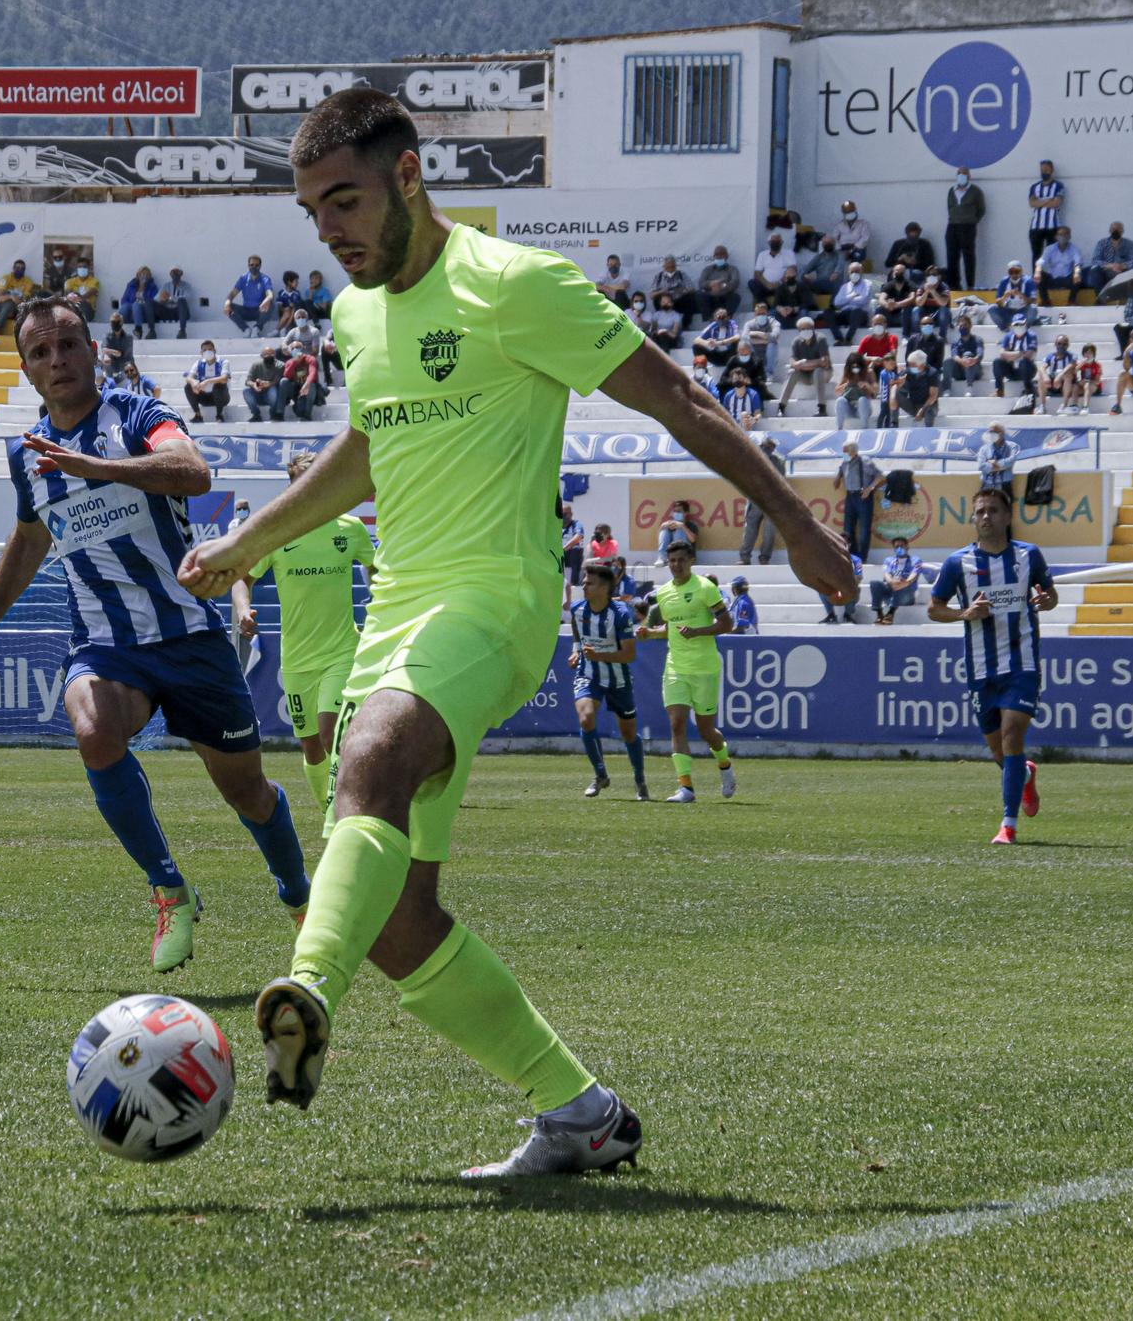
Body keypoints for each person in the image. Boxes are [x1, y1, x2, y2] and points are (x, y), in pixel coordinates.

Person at [176, 89, 850, 1177]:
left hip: (495, 599)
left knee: (369, 757)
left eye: (342, 200)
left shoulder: (515, 285)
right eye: (309, 212)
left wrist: (790, 517)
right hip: (394, 607)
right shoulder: (352, 316)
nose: (326, 230)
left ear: (406, 177)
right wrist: (247, 542)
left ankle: (304, 989)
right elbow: (366, 450)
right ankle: (578, 1111)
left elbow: (677, 396)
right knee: (399, 920)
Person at [0, 293, 314, 974]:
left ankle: (298, 897)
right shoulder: (28, 458)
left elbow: (194, 472)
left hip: (192, 637)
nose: (57, 360)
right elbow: (27, 540)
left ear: (94, 350)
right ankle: (169, 889)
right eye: (40, 353)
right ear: (25, 370)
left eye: (68, 344)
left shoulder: (136, 415)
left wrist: (96, 468)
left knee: (248, 794)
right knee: (92, 729)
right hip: (107, 645)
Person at [228, 452, 376, 815]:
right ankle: (331, 813)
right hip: (297, 659)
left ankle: (345, 816)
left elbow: (377, 571)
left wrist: (383, 600)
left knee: (331, 735)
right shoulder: (279, 533)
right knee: (311, 746)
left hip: (342, 650)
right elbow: (241, 580)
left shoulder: (350, 528)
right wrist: (243, 609)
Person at [928, 489, 1057, 845]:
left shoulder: (1028, 556)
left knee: (1012, 734)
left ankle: (1008, 825)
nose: (986, 516)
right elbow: (934, 607)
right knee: (1001, 752)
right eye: (980, 511)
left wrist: (1047, 600)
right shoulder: (958, 563)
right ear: (973, 518)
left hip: (1022, 663)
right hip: (981, 669)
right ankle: (1024, 778)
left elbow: (1050, 594)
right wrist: (963, 613)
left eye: (993, 511)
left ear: (1007, 516)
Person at [634, 539, 738, 803]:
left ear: (691, 561)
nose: (676, 565)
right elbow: (671, 629)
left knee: (707, 731)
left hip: (705, 668)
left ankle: (724, 765)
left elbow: (727, 623)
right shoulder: (664, 592)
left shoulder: (705, 588)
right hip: (675, 668)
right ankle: (686, 788)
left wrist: (697, 632)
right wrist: (650, 633)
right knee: (677, 724)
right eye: (672, 561)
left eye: (681, 560)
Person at [565, 561, 648, 800]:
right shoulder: (578, 609)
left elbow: (630, 654)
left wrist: (598, 654)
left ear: (603, 588)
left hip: (618, 680)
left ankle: (640, 779)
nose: (584, 586)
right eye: (583, 582)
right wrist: (576, 650)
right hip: (588, 674)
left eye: (589, 583)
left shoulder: (621, 614)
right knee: (586, 717)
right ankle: (600, 774)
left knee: (629, 733)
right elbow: (577, 632)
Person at [739, 437, 786, 564]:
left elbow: (780, 481)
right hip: (755, 498)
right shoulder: (751, 459)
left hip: (772, 500)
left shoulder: (779, 461)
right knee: (750, 529)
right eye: (764, 447)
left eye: (769, 447)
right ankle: (745, 557)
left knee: (769, 531)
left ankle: (765, 557)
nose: (766, 450)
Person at [836, 441, 883, 562]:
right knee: (848, 528)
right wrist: (838, 477)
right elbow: (842, 470)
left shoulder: (865, 462)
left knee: (863, 530)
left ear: (853, 451)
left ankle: (862, 558)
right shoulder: (845, 462)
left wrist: (870, 488)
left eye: (845, 451)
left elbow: (879, 476)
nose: (844, 453)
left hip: (863, 496)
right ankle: (851, 555)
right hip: (850, 496)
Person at [775, 316, 831, 417]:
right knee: (792, 372)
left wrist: (803, 364)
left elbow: (824, 362)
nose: (805, 331)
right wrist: (800, 365)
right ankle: (781, 407)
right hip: (806, 375)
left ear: (813, 328)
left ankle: (822, 408)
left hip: (823, 373)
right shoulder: (796, 341)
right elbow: (793, 361)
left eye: (808, 328)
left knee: (818, 370)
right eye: (802, 329)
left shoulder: (820, 339)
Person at [945, 167, 984, 290]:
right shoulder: (952, 190)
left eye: (964, 174)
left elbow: (981, 210)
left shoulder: (975, 191)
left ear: (969, 176)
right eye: (959, 174)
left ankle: (970, 285)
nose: (962, 176)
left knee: (968, 256)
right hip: (952, 226)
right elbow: (949, 207)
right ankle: (954, 285)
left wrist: (972, 221)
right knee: (952, 256)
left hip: (968, 227)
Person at [871, 538, 920, 625]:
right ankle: (879, 614)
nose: (899, 548)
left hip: (906, 595)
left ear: (907, 547)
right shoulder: (889, 560)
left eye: (902, 546)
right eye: (897, 546)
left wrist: (902, 583)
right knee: (875, 584)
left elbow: (913, 576)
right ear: (894, 549)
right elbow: (887, 575)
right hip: (890, 593)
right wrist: (892, 582)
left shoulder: (915, 560)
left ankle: (891, 613)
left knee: (900, 584)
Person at [1034, 227, 1085, 307]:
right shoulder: (1050, 248)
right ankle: (1045, 301)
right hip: (1052, 278)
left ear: (1069, 236)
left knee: (1079, 274)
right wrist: (1037, 272)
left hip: (1067, 278)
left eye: (1065, 234)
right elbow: (1041, 261)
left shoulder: (1074, 249)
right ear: (1056, 236)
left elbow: (1078, 263)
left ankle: (1071, 301)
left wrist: (1077, 272)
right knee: (1039, 274)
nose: (1063, 236)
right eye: (1060, 234)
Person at [225, 255, 274, 336]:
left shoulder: (265, 279)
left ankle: (257, 328)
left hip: (259, 311)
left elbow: (270, 294)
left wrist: (267, 300)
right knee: (229, 305)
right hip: (246, 311)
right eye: (251, 265)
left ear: (260, 266)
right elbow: (233, 293)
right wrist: (227, 303)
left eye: (256, 265)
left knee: (271, 304)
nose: (254, 267)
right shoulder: (243, 278)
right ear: (248, 265)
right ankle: (245, 329)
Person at [1026, 160, 1064, 266]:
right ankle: (1037, 281)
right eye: (1042, 170)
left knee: (1053, 256)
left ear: (1052, 170)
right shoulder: (1035, 187)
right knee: (1036, 256)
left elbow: (1056, 203)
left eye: (1046, 170)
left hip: (1053, 227)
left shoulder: (1058, 186)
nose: (1044, 172)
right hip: (1035, 227)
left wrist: (1040, 201)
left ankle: (1051, 281)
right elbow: (1032, 203)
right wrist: (1049, 200)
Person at [892, 349, 942, 427]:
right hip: (913, 405)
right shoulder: (908, 371)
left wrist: (922, 409)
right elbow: (893, 382)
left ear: (921, 365)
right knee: (895, 393)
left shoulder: (932, 373)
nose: (910, 366)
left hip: (928, 405)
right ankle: (893, 423)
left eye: (913, 365)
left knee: (929, 411)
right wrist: (898, 383)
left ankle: (929, 430)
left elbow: (933, 396)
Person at [183, 340, 230, 422]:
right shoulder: (198, 363)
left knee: (219, 385)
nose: (207, 352)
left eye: (210, 349)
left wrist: (207, 381)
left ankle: (219, 415)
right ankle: (198, 415)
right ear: (201, 353)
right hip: (204, 397)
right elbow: (188, 377)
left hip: (222, 398)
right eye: (204, 350)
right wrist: (193, 382)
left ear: (214, 351)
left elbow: (224, 378)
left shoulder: (223, 362)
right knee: (188, 387)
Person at [992, 316, 1039, 398]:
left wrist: (1010, 355)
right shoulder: (1008, 336)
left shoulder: (1031, 336)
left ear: (1025, 323)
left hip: (1027, 370)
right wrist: (1020, 353)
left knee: (1024, 362)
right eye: (1016, 324)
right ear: (1012, 325)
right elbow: (1002, 354)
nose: (1018, 326)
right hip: (1012, 369)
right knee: (997, 362)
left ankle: (1028, 389)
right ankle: (999, 390)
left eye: (1021, 324)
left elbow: (1030, 354)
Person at [0, 258, 36, 334]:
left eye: (22, 268)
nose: (19, 270)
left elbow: (23, 300)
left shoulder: (28, 282)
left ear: (24, 270)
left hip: (16, 310)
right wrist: (11, 297)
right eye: (17, 268)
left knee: (13, 304)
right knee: (9, 303)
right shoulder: (6, 278)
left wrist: (10, 298)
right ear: (13, 268)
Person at [1087, 221, 1133, 293]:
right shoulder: (1102, 243)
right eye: (1113, 229)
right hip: (1106, 271)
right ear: (1109, 231)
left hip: (1123, 272)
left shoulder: (1129, 244)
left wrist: (1122, 266)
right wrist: (1111, 266)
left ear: (1123, 231)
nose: (1115, 231)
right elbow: (1095, 260)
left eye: (1118, 229)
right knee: (1095, 270)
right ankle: (1101, 299)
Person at [829, 266, 873, 346]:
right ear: (848, 273)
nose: (854, 274)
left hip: (860, 315)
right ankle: (839, 338)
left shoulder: (867, 284)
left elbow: (863, 300)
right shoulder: (844, 286)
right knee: (827, 312)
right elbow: (836, 302)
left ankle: (848, 338)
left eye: (857, 271)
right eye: (852, 272)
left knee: (856, 311)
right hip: (845, 314)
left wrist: (845, 300)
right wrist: (852, 295)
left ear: (861, 272)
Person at [989, 260, 1037, 330]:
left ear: (1021, 271)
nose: (1014, 275)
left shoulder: (1028, 281)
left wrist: (1021, 295)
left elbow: (1033, 301)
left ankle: (1024, 328)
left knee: (1033, 308)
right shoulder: (1004, 281)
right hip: (1008, 311)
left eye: (1016, 272)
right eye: (1011, 272)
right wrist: (1004, 297)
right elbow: (998, 302)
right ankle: (1005, 328)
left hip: (1023, 311)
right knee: (992, 308)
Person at [1035, 334, 1076, 416]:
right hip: (1053, 383)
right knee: (1041, 376)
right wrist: (1046, 376)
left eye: (1064, 344)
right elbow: (1042, 367)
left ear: (1068, 345)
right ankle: (1042, 406)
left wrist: (1059, 376)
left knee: (1068, 374)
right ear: (1055, 344)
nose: (1061, 346)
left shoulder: (1072, 356)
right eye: (1059, 343)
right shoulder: (1050, 356)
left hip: (1066, 384)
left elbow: (1071, 366)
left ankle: (1064, 405)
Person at [696, 246, 740, 316]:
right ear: (714, 256)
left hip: (725, 295)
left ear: (727, 256)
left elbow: (735, 283)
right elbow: (701, 283)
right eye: (717, 254)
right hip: (710, 294)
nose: (719, 256)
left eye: (722, 254)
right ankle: (708, 319)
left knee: (735, 297)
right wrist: (711, 284)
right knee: (699, 294)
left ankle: (726, 319)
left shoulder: (732, 269)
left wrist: (722, 286)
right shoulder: (707, 269)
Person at [650, 255, 695, 323]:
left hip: (679, 299)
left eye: (673, 267)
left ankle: (685, 324)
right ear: (664, 267)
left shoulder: (681, 274)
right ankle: (661, 322)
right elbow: (651, 295)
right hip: (665, 301)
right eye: (668, 267)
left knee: (690, 298)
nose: (671, 269)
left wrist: (684, 291)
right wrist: (661, 291)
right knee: (656, 299)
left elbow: (692, 288)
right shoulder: (659, 276)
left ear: (676, 266)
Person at [152, 267, 195, 339]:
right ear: (170, 275)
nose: (175, 275)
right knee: (151, 302)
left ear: (181, 274)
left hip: (180, 312)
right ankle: (151, 331)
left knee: (181, 301)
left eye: (177, 273)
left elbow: (186, 298)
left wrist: (170, 298)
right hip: (167, 311)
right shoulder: (166, 285)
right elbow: (156, 298)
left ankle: (182, 330)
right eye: (173, 273)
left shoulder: (186, 285)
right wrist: (161, 298)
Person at [1061, 343, 1102, 416]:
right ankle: (1074, 406)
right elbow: (1074, 373)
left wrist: (1087, 381)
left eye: (1090, 352)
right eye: (1086, 352)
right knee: (1075, 386)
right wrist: (1080, 365)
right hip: (1084, 385)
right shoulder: (1082, 364)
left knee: (1087, 385)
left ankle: (1085, 407)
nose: (1088, 355)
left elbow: (1097, 381)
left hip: (1094, 386)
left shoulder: (1097, 365)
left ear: (1093, 354)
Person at [244, 345, 283, 422]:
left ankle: (273, 413)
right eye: (266, 354)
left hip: (271, 395)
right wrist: (254, 385)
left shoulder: (279, 364)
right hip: (257, 393)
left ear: (275, 354)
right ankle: (256, 414)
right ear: (261, 356)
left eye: (271, 353)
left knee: (273, 389)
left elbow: (278, 379)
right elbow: (247, 381)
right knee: (246, 391)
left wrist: (269, 384)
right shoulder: (256, 365)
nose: (269, 355)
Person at [749, 233, 793, 300]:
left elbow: (792, 270)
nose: (775, 243)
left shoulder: (789, 253)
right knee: (752, 283)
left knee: (791, 284)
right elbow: (757, 273)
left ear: (782, 242)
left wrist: (779, 282)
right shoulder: (762, 254)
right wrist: (767, 284)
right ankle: (765, 305)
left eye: (777, 241)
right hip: (766, 286)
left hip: (781, 285)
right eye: (773, 242)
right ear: (769, 243)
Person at [946, 314, 985, 391]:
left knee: (968, 355)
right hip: (960, 372)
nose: (962, 327)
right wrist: (962, 361)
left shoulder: (978, 339)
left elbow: (980, 353)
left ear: (970, 326)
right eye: (960, 326)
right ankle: (946, 389)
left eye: (965, 325)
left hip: (975, 371)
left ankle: (969, 387)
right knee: (947, 362)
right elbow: (954, 355)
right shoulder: (956, 342)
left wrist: (973, 360)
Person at [976, 424, 1018, 495]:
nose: (991, 434)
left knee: (1005, 505)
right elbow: (981, 466)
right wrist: (1000, 465)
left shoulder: (1012, 446)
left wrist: (994, 463)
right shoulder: (984, 449)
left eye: (994, 432)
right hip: (987, 485)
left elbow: (1010, 461)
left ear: (1002, 433)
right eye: (990, 432)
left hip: (1004, 485)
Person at [799, 233, 843, 298]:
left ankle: (832, 306)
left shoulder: (839, 255)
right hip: (819, 283)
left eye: (830, 242)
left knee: (835, 284)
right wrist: (805, 277)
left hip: (833, 283)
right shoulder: (818, 257)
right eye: (825, 243)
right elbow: (806, 270)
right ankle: (810, 306)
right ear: (822, 244)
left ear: (834, 244)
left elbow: (840, 266)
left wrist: (836, 273)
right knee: (801, 285)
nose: (827, 244)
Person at [832, 199, 873, 264]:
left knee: (857, 257)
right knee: (837, 258)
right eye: (847, 213)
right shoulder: (839, 225)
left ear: (855, 211)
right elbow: (834, 239)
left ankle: (855, 273)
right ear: (844, 214)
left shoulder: (863, 224)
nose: (849, 214)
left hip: (857, 248)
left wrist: (852, 249)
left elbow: (865, 238)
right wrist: (839, 249)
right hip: (842, 248)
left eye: (851, 212)